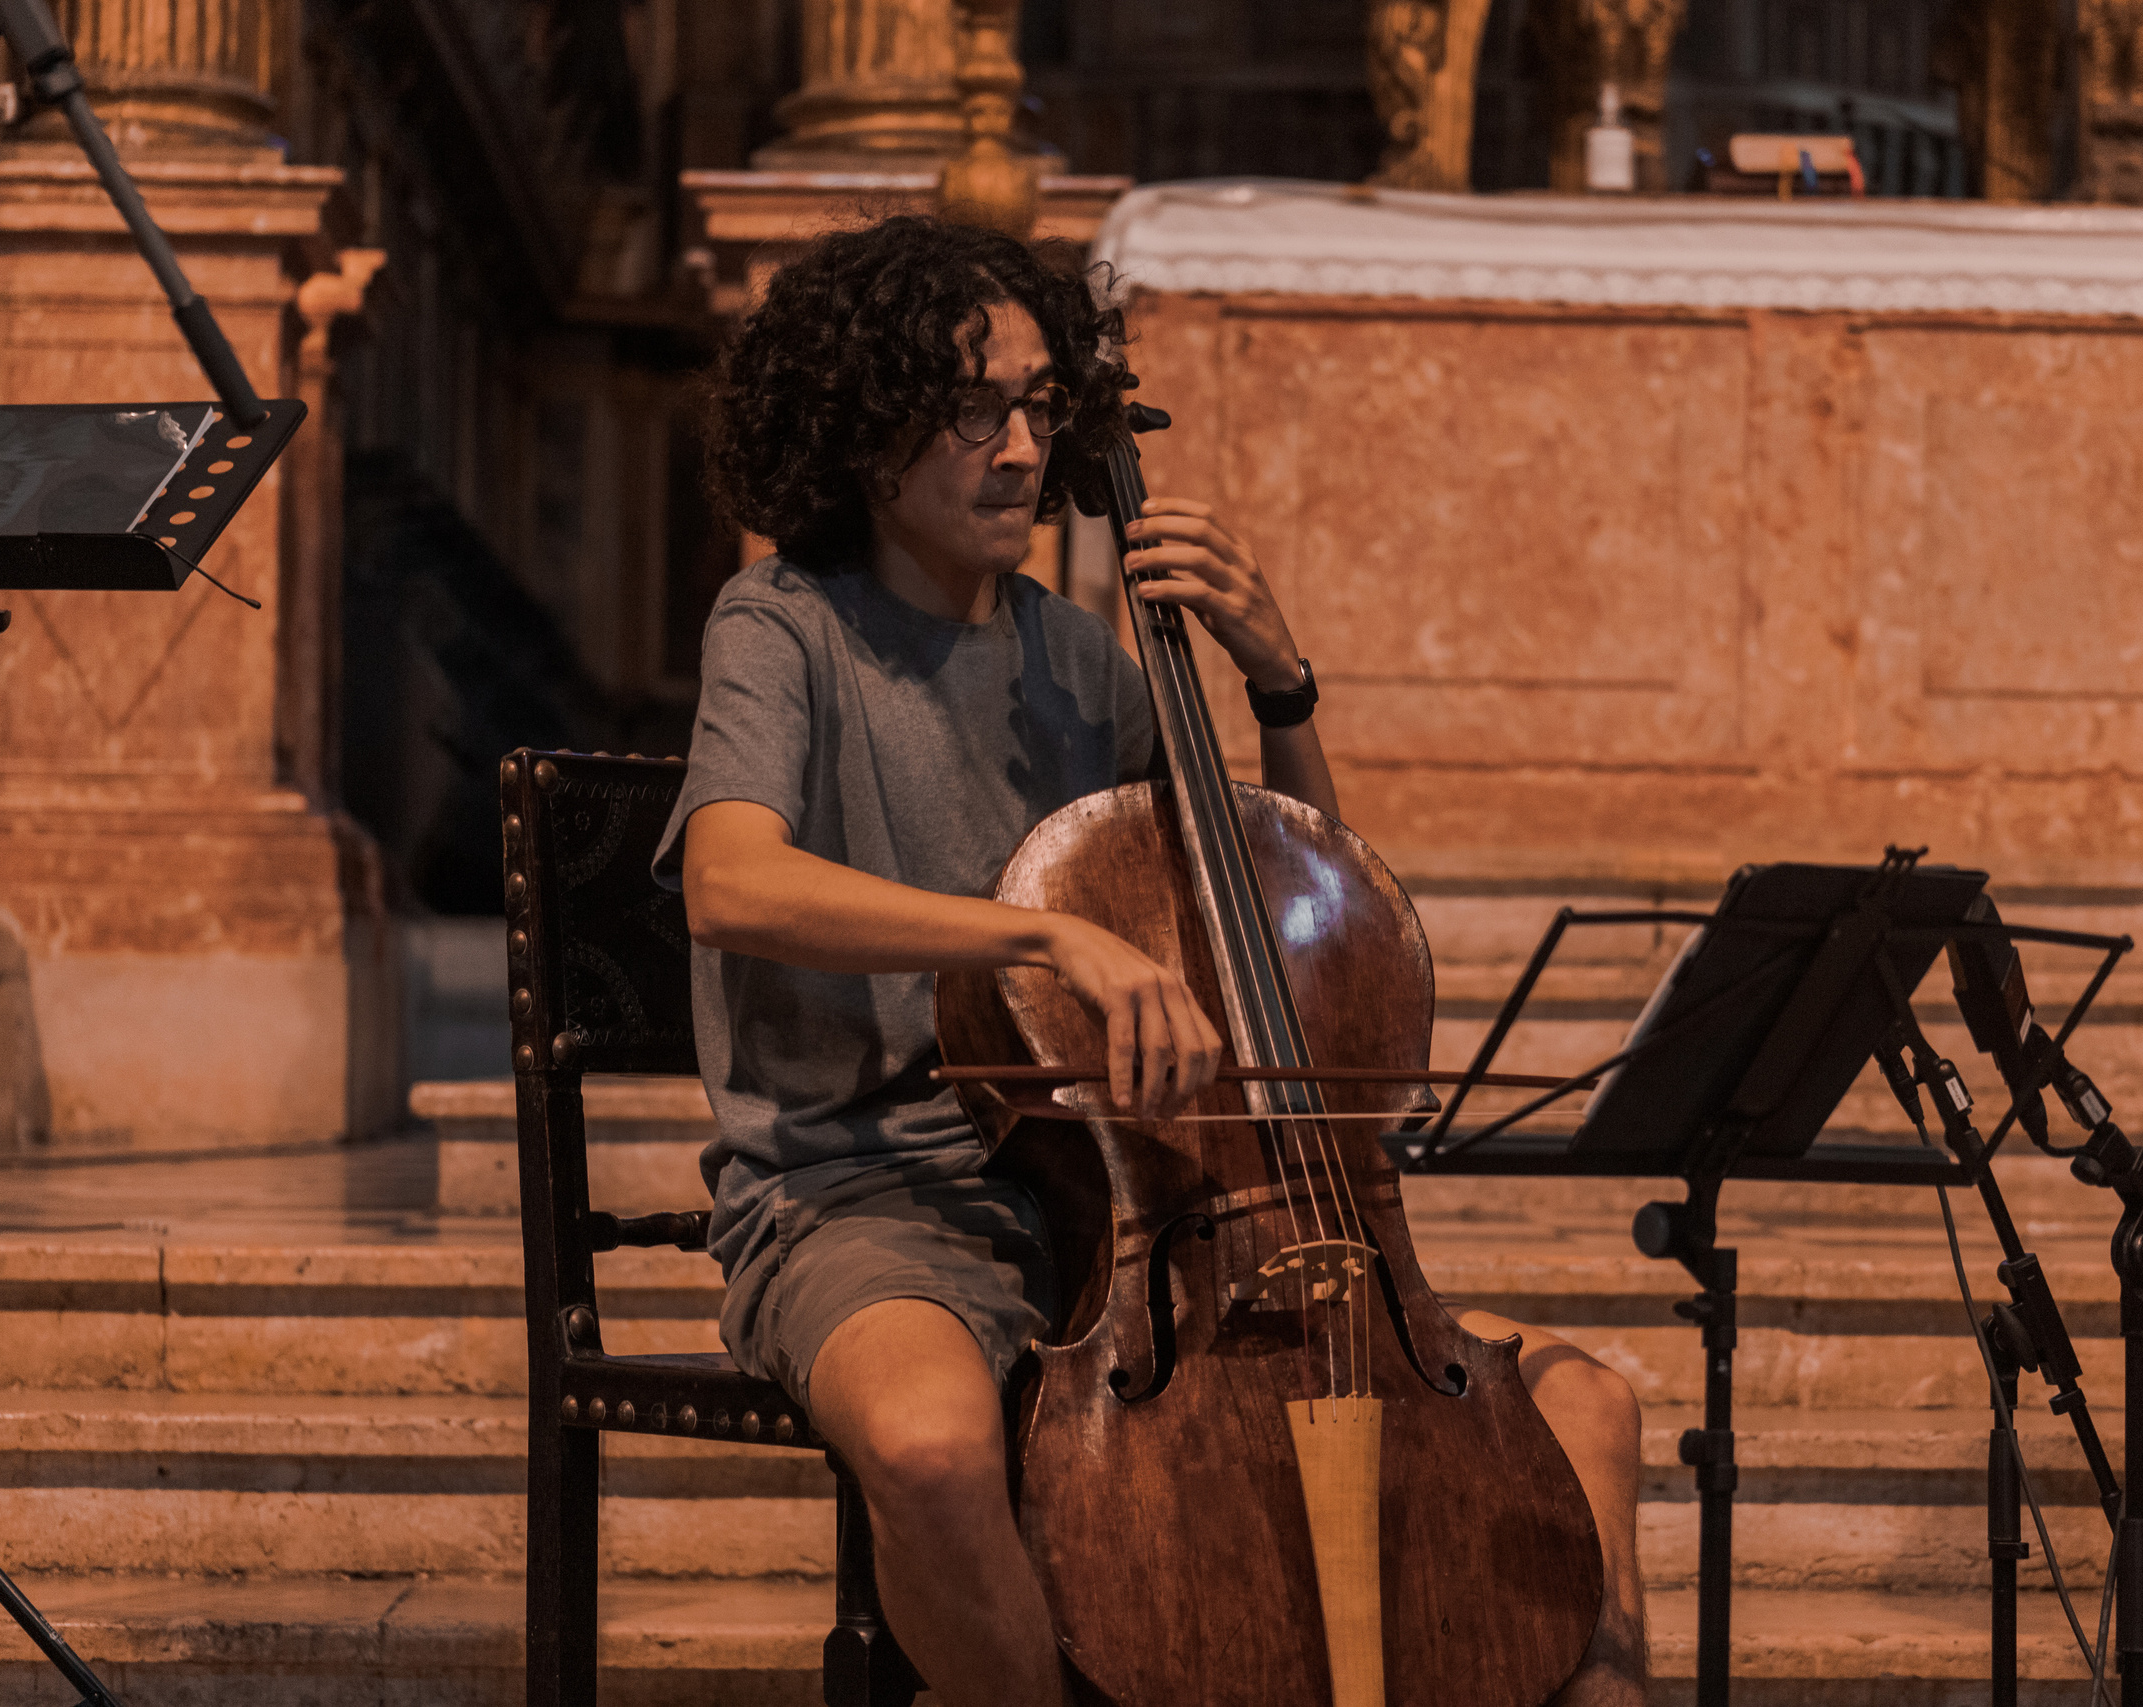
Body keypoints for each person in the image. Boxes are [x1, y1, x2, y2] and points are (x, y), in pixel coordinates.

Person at [657, 214, 1647, 1707]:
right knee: (928, 1445)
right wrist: (1045, 932)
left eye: (1041, 407)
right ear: (861, 431)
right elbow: (730, 883)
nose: (1016, 449)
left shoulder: (1081, 660)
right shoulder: (783, 626)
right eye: (968, 408)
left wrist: (1279, 682)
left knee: (1589, 1407)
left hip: (1142, 1207)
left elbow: (1310, 922)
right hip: (862, 1197)